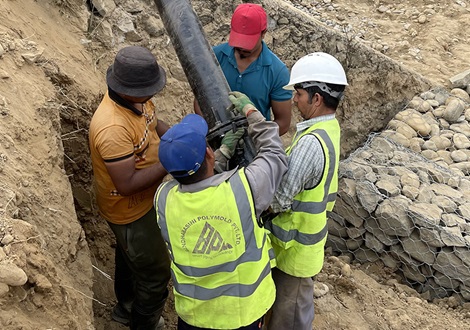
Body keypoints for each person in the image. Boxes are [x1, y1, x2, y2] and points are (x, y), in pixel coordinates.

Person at [154, 92, 288, 329]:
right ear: (208, 152)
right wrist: (253, 115)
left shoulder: (163, 199)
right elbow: (275, 155)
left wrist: (221, 155)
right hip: (243, 314)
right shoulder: (243, 189)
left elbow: (194, 180)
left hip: (195, 316)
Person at [88, 46, 171, 330]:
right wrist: (171, 161)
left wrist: (177, 137)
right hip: (129, 210)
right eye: (148, 89)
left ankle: (125, 307)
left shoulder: (139, 100)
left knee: (130, 257)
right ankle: (143, 322)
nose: (153, 94)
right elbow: (126, 185)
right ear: (126, 90)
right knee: (156, 272)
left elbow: (154, 123)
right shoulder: (112, 128)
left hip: (145, 200)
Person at [264, 52, 348, 330]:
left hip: (294, 254)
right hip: (301, 249)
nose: (294, 99)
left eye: (298, 93)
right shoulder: (328, 129)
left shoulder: (311, 143)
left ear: (317, 98)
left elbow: (279, 199)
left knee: (287, 321)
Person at [195, 3, 292, 136]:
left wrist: (250, 138)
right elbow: (200, 101)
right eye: (239, 39)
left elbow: (283, 122)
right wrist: (216, 133)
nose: (241, 47)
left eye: (247, 42)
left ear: (263, 33)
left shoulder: (277, 72)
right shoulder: (214, 57)